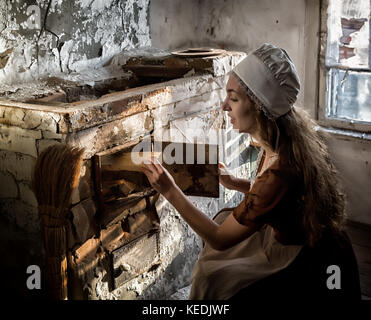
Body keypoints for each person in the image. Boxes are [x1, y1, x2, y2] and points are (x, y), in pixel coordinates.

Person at [140, 43, 361, 300]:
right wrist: (237, 183)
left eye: (233, 98)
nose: (224, 106)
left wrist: (169, 190)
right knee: (223, 234)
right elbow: (282, 201)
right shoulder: (278, 142)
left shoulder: (282, 170)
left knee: (211, 275)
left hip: (303, 255)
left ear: (259, 107)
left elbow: (219, 239)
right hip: (295, 230)